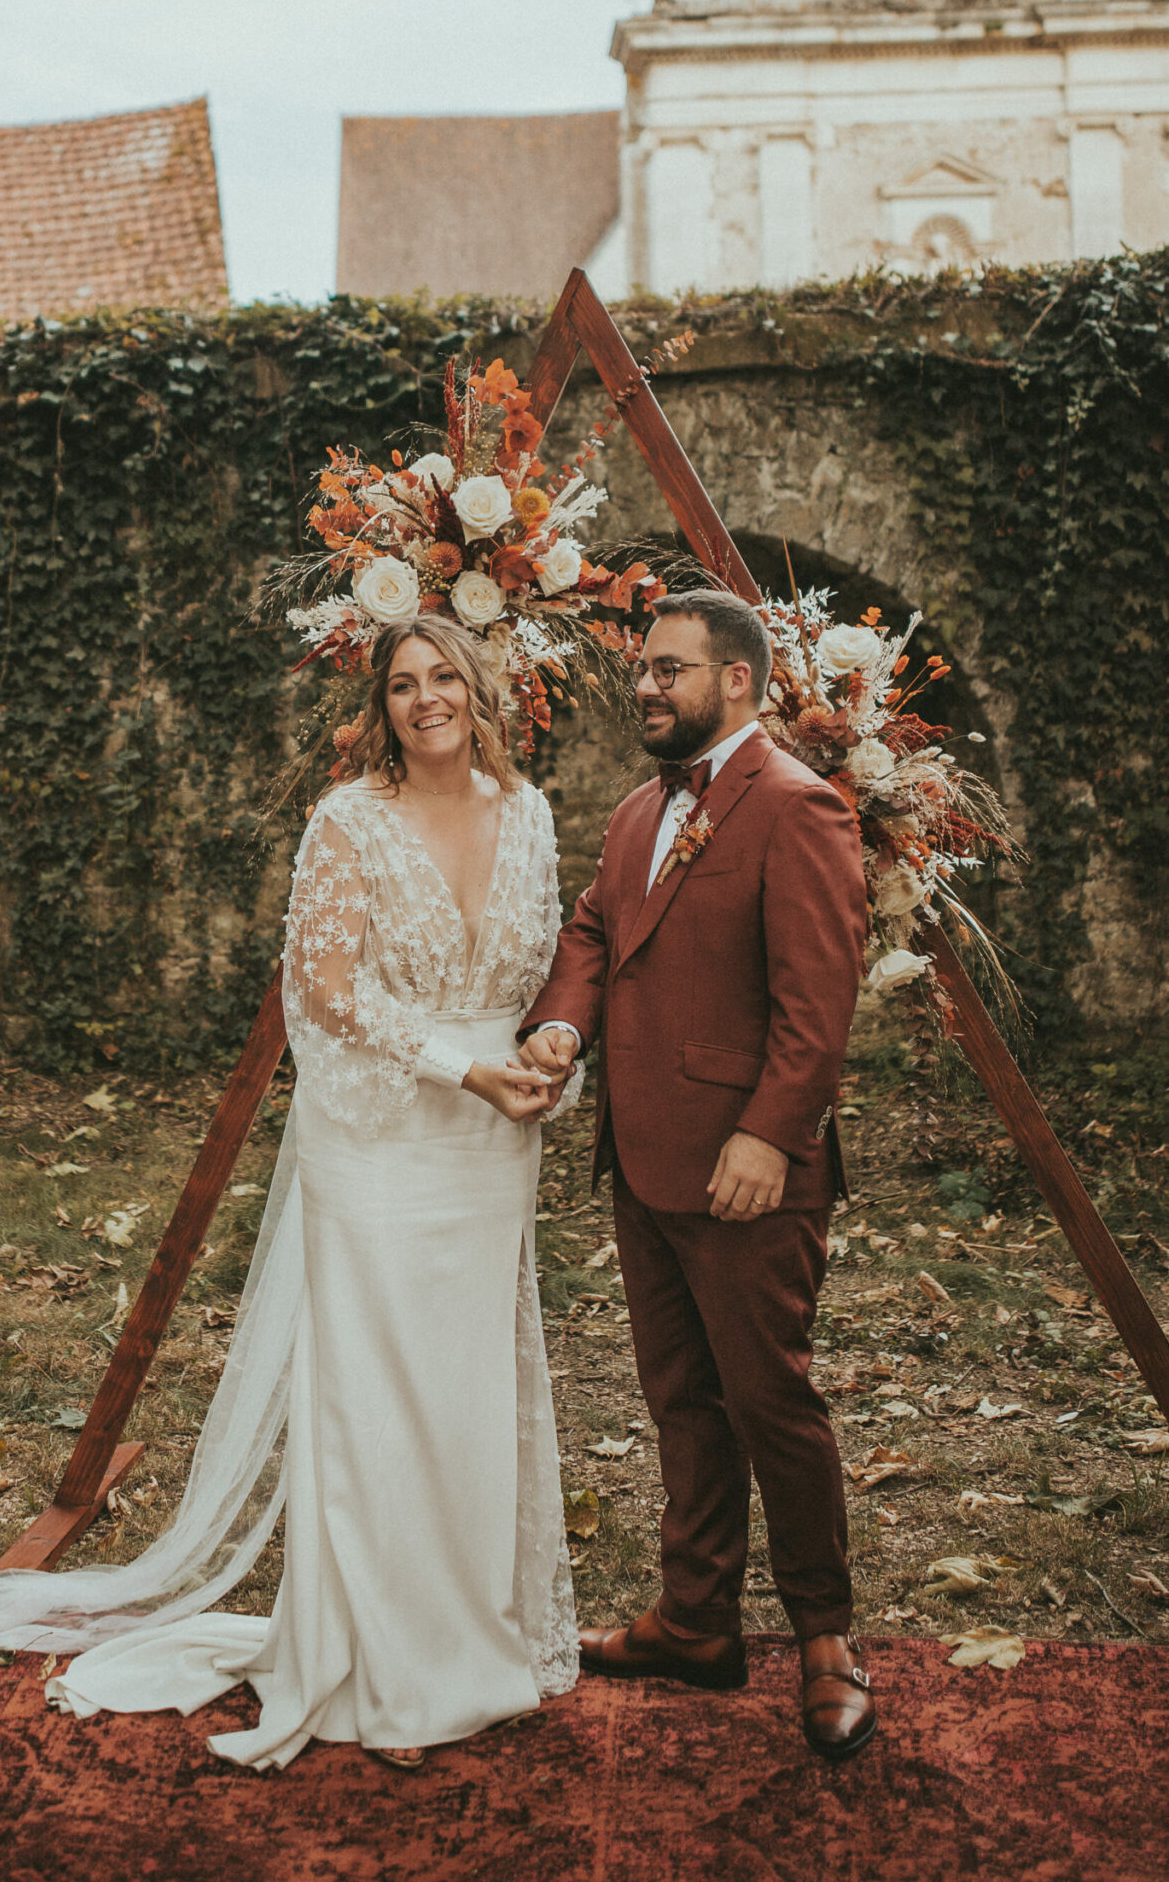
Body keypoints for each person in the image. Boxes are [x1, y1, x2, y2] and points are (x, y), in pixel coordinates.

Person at [0, 618, 580, 1772]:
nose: (427, 698)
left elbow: (546, 975)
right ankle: (386, 1668)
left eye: (444, 675)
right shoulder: (348, 821)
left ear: (479, 688)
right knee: (379, 1398)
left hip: (491, 1145)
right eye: (403, 683)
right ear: (381, 706)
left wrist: (544, 1052)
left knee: (467, 1394)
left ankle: (470, 1646)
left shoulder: (531, 815)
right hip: (383, 1139)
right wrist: (460, 1065)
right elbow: (325, 992)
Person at [519, 588, 877, 1763]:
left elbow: (820, 995)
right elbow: (591, 930)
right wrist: (562, 1026)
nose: (645, 684)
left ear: (736, 680)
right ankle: (696, 1617)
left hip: (748, 1172)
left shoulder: (798, 805)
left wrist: (771, 1133)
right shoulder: (639, 812)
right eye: (643, 667)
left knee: (772, 1401)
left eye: (668, 667)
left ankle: (827, 1639)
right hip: (644, 1157)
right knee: (681, 1397)